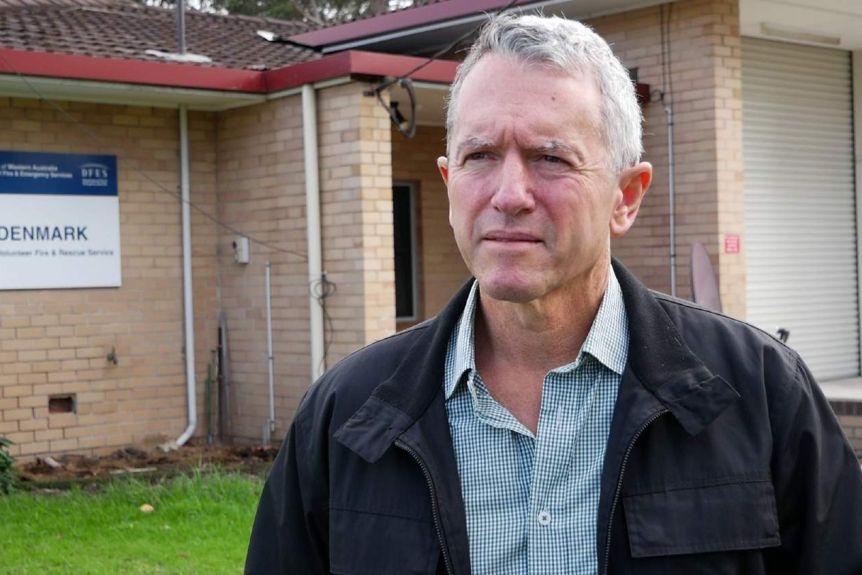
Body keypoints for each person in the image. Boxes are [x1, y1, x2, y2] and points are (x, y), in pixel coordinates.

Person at [245, 14, 862, 575]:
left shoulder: (759, 394)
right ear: (448, 182)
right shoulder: (344, 417)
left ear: (627, 196)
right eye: (480, 155)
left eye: (550, 158)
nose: (509, 193)